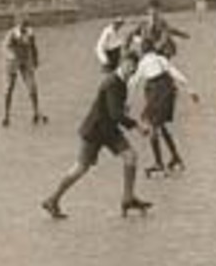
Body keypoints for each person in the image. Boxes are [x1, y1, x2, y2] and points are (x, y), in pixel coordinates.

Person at [40, 48, 151, 220]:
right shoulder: (112, 82)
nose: (132, 70)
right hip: (95, 131)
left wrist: (124, 110)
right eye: (130, 65)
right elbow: (115, 113)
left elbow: (115, 111)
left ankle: (128, 198)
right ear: (122, 63)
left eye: (134, 67)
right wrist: (137, 125)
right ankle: (52, 199)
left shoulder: (120, 81)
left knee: (131, 156)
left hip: (109, 130)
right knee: (80, 168)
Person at [129, 35, 201, 176]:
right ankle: (175, 157)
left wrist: (127, 101)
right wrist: (190, 90)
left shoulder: (144, 63)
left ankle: (159, 163)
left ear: (143, 50)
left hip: (156, 94)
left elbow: (134, 82)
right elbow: (176, 74)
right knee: (160, 126)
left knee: (152, 126)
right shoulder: (161, 60)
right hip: (167, 92)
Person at [0, 13, 45, 127]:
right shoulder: (11, 34)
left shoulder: (30, 33)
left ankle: (36, 112)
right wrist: (11, 56)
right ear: (18, 24)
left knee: (32, 86)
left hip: (25, 61)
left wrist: (35, 59)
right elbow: (4, 47)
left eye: (27, 25)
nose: (25, 28)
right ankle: (6, 115)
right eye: (23, 25)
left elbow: (34, 46)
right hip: (12, 63)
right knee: (9, 89)